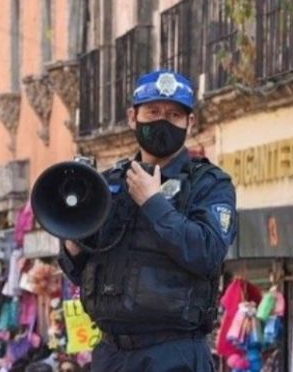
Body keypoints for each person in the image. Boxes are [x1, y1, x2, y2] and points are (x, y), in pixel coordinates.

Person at [58, 70, 237, 371]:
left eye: (173, 114)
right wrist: (73, 243)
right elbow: (84, 272)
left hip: (174, 353)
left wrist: (154, 203)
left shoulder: (210, 184)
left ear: (189, 123)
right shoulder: (108, 184)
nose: (162, 121)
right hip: (111, 354)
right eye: (152, 112)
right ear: (133, 117)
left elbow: (208, 252)